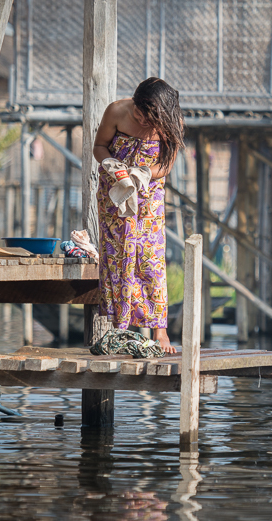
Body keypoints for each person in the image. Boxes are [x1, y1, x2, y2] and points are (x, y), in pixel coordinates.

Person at [92, 77, 185, 354]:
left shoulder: (172, 124)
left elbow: (167, 163)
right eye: (137, 114)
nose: (140, 120)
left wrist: (144, 173)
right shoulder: (116, 111)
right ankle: (120, 327)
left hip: (148, 197)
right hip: (115, 193)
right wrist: (114, 167)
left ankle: (159, 329)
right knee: (119, 256)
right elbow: (99, 147)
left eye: (147, 118)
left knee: (151, 258)